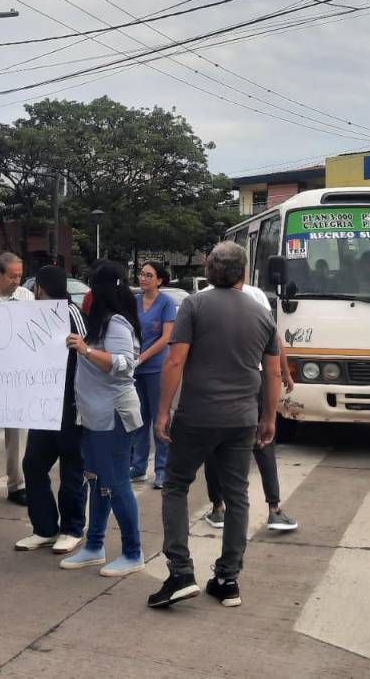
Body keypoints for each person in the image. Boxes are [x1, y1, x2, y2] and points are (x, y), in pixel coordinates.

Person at [148, 242, 280, 609]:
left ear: (208, 270)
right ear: (244, 271)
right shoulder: (262, 313)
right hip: (242, 418)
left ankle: (180, 572)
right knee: (238, 495)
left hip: (199, 414)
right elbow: (272, 373)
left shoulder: (194, 305)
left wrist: (163, 412)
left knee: (175, 484)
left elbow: (175, 363)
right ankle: (227, 578)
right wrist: (268, 417)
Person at [58, 262, 145, 577]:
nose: (87, 297)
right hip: (95, 418)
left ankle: (133, 551)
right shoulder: (98, 325)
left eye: (91, 290)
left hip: (115, 417)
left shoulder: (116, 323)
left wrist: (85, 350)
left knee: (117, 483)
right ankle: (94, 546)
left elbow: (125, 365)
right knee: (97, 483)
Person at [200, 277, 298, 532]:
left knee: (213, 446)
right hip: (253, 380)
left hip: (214, 385)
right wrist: (283, 373)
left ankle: (218, 508)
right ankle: (274, 509)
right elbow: (273, 340)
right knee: (263, 443)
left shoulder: (201, 299)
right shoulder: (256, 296)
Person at [15, 266, 89, 555]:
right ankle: (44, 528)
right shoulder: (36, 314)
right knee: (33, 463)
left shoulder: (70, 313)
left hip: (70, 405)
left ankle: (72, 529)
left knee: (72, 468)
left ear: (43, 289)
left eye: (37, 288)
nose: (34, 293)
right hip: (42, 404)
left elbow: (86, 351)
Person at [0, 252, 33, 506]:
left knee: (18, 434)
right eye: (12, 276)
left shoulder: (28, 298)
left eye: (20, 276)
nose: (16, 281)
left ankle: (17, 485)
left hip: (17, 378)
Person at [131, 261, 177, 489]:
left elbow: (166, 338)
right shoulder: (135, 301)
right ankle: (138, 467)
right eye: (141, 274)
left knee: (160, 417)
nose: (143, 278)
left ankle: (162, 470)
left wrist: (143, 357)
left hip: (157, 367)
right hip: (135, 368)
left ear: (159, 280)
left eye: (149, 275)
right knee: (139, 418)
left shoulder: (166, 303)